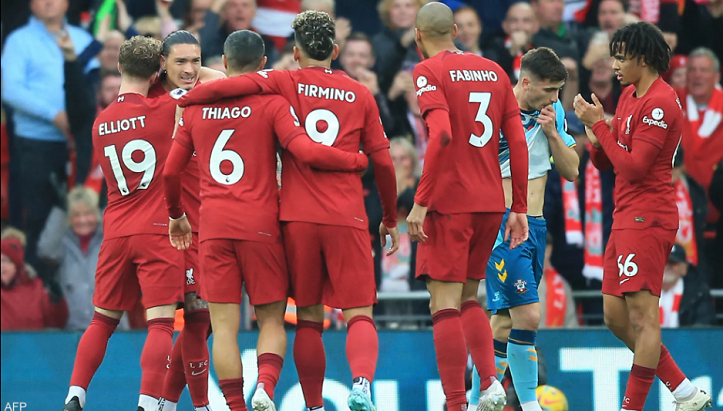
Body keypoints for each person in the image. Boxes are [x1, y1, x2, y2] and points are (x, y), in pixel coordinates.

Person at [177, 11, 399, 411]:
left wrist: (189, 98)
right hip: (345, 215)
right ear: (335, 51)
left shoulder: (283, 83)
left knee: (308, 316)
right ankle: (362, 383)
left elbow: (236, 84)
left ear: (295, 53)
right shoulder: (361, 94)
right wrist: (389, 215)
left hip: (294, 218)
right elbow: (383, 162)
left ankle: (312, 405)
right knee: (359, 314)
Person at [573, 21, 713, 410]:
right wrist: (597, 134)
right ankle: (684, 392)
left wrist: (600, 127)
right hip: (625, 214)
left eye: (621, 57)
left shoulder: (661, 102)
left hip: (648, 216)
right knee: (614, 317)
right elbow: (607, 160)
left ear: (644, 58)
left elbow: (634, 167)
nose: (615, 65)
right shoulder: (629, 95)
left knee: (642, 317)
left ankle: (632, 406)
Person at [405, 3, 530, 411]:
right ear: (456, 31)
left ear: (418, 36)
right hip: (490, 202)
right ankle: (490, 383)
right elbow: (517, 140)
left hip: (449, 202)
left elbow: (440, 133)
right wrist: (519, 206)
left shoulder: (428, 70)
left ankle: (456, 403)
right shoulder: (494, 71)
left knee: (442, 305)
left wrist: (421, 201)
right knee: (469, 297)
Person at [62, 36, 185, 411]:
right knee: (160, 323)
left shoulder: (101, 122)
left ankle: (75, 393)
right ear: (157, 72)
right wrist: (166, 77)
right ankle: (147, 402)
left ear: (118, 67)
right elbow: (207, 82)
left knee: (101, 320)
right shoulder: (166, 108)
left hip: (116, 229)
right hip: (157, 229)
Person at [470, 47, 579, 411]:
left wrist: (552, 133)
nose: (554, 98)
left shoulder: (553, 112)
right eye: (549, 90)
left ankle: (474, 401)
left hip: (536, 224)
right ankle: (531, 404)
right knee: (529, 315)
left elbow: (572, 170)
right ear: (527, 81)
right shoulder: (494, 110)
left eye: (558, 91)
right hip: (504, 224)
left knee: (503, 323)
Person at [149, 30, 225, 411]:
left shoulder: (197, 92)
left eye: (196, 60)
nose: (191, 69)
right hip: (176, 225)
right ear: (162, 63)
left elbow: (220, 77)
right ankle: (200, 405)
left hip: (205, 220)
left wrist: (184, 75)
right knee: (197, 316)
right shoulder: (150, 100)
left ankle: (165, 403)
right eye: (181, 61)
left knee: (203, 320)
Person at [1, 0, 98, 281]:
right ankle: (40, 284)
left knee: (84, 213)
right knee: (39, 215)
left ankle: (82, 283)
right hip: (36, 142)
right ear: (30, 5)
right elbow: (10, 89)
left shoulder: (82, 39)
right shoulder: (19, 41)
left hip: (82, 144)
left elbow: (94, 84)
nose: (48, 2)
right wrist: (52, 115)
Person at [1, 236, 69, 331]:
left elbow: (56, 322)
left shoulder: (36, 287)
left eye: (5, 261)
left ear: (17, 264)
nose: (1, 266)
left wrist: (57, 302)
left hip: (33, 340)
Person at [659, 244, 715, 328]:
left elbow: (704, 326)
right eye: (662, 262)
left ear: (684, 268)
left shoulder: (699, 294)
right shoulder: (641, 292)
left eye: (672, 263)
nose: (667, 267)